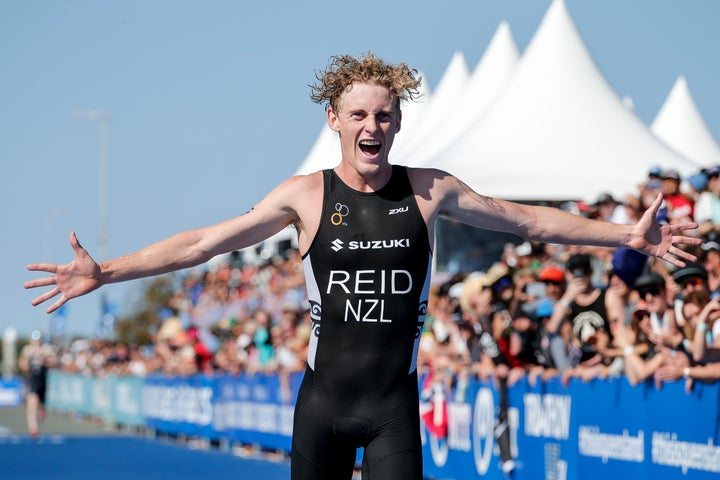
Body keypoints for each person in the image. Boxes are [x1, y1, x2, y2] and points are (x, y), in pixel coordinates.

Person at [25, 53, 700, 480]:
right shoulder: (305, 196)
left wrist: (626, 235)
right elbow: (205, 243)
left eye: (383, 115)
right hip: (322, 408)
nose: (371, 127)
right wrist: (106, 272)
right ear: (334, 120)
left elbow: (526, 221)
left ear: (398, 122)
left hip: (391, 411)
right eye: (358, 115)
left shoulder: (430, 190)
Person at [18, 330, 56, 439]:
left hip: (42, 380)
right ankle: (33, 428)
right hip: (31, 380)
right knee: (32, 400)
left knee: (39, 403)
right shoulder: (27, 350)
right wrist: (28, 357)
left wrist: (44, 359)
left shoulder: (46, 349)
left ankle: (41, 410)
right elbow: (23, 366)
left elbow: (53, 363)